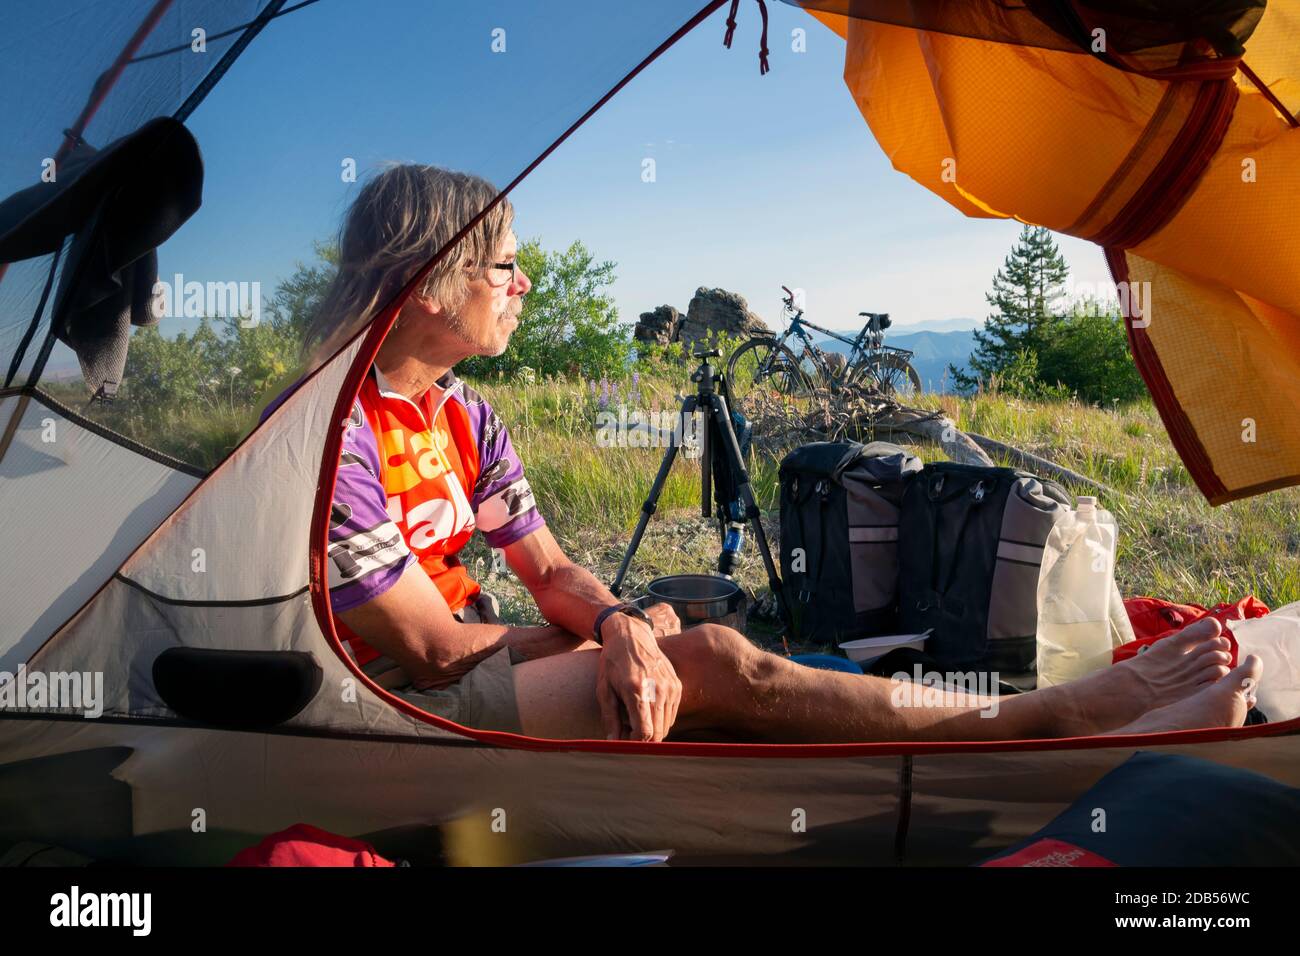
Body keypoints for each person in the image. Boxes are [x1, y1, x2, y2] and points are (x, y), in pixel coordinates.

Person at [304, 163, 1262, 743]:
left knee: (674, 642)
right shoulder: (337, 433)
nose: (524, 284)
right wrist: (620, 635)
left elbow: (550, 568)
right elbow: (426, 652)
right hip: (388, 700)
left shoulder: (465, 416)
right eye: (504, 263)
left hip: (476, 657)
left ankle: (1003, 720)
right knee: (720, 657)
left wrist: (616, 625)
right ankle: (1054, 720)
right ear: (431, 285)